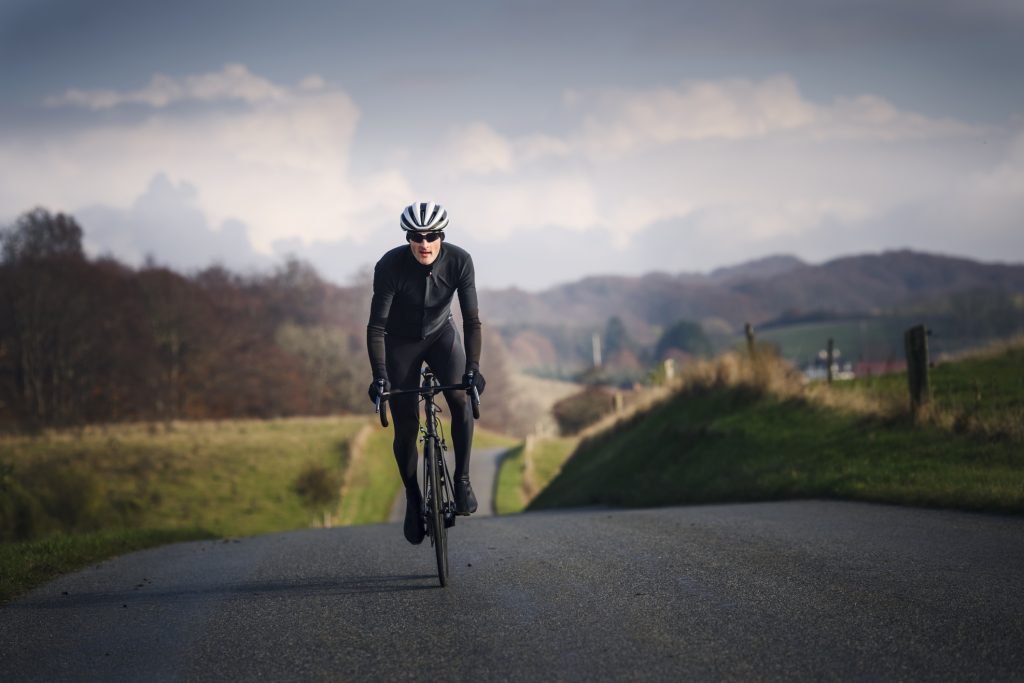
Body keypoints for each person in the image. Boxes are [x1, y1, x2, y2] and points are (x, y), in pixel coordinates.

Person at [367, 202, 486, 545]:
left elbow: (471, 320)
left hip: (441, 336)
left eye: (432, 236)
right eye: (416, 237)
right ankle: (413, 497)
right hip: (400, 342)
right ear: (408, 238)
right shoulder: (390, 265)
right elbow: (376, 327)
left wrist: (473, 367)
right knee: (406, 424)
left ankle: (461, 480)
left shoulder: (460, 261)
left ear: (441, 236)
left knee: (460, 399)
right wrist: (379, 376)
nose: (424, 243)